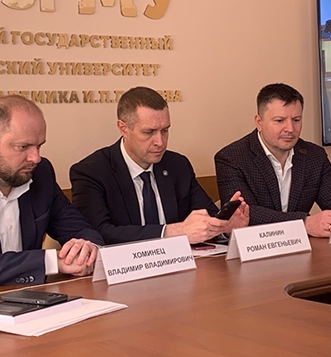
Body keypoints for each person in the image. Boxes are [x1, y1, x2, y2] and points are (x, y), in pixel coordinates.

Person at [71, 87, 249, 245]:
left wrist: (225, 228)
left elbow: (206, 216)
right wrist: (170, 232)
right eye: (149, 132)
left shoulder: (178, 165)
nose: (160, 142)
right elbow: (97, 233)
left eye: (165, 130)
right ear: (123, 128)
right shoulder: (91, 172)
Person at [0, 95, 103, 292]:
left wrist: (88, 248)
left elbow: (80, 229)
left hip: (32, 299)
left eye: (39, 146)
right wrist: (50, 262)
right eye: (23, 147)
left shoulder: (40, 173)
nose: (35, 158)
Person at [214, 83, 331, 238]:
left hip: (301, 247)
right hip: (256, 245)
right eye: (280, 120)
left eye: (296, 120)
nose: (290, 129)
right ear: (259, 122)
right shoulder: (231, 158)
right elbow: (246, 214)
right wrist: (305, 223)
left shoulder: (315, 155)